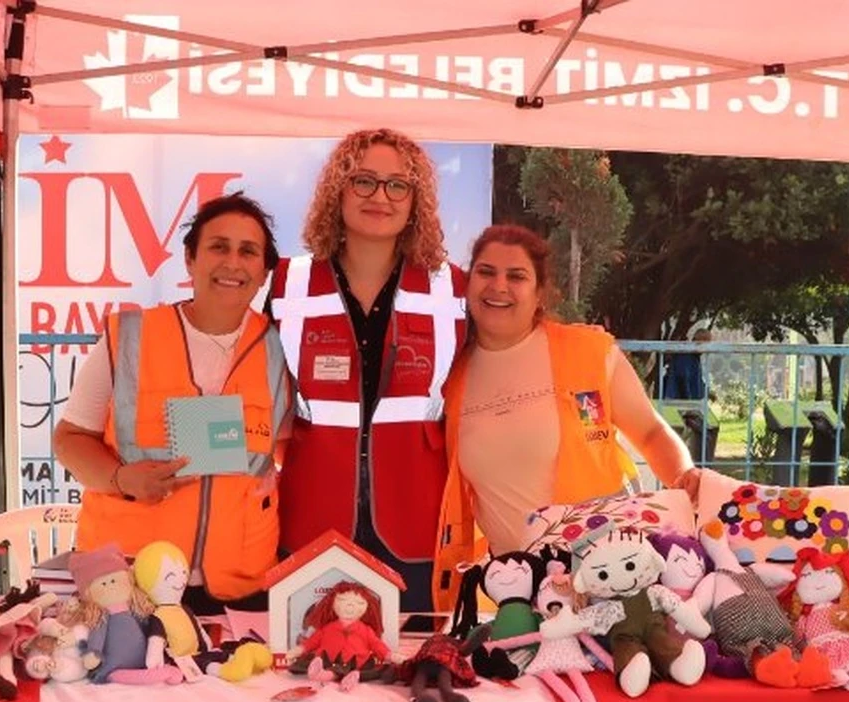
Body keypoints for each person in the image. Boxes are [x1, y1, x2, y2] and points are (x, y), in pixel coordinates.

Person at [433, 224, 701, 610]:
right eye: (486, 272)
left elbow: (650, 431)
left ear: (540, 291)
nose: (499, 286)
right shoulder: (451, 374)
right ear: (468, 281)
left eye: (517, 276)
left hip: (609, 578)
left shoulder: (590, 351)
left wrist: (684, 476)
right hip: (518, 592)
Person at [52, 193, 292, 611]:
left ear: (264, 271)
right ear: (190, 259)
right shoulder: (129, 337)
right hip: (128, 584)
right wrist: (122, 479)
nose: (233, 263)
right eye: (219, 246)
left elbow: (285, 452)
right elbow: (69, 439)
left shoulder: (280, 348)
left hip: (241, 590)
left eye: (248, 252)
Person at [268, 129, 467, 612]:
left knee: (412, 671)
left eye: (398, 185)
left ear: (415, 200)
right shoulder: (285, 282)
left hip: (417, 526)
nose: (381, 196)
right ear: (337, 191)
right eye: (363, 181)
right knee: (309, 670)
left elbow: (513, 344)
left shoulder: (452, 287)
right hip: (311, 517)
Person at [662, 329, 710, 400]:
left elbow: (695, 380)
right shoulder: (686, 356)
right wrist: (688, 401)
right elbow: (682, 378)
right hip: (679, 400)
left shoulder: (694, 357)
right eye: (706, 343)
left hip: (683, 399)